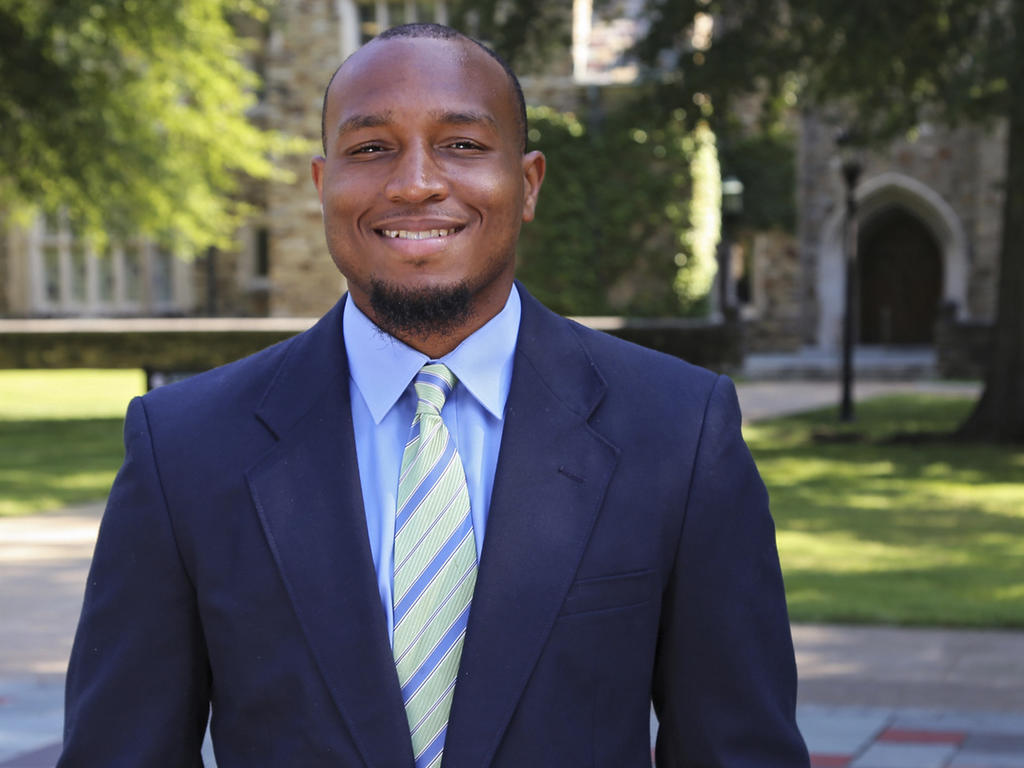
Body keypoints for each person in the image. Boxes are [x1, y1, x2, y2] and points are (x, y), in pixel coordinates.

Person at [58, 23, 809, 768]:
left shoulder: (678, 431)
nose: (415, 182)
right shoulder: (184, 447)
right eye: (371, 148)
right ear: (324, 187)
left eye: (462, 145)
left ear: (528, 183)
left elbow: (739, 750)